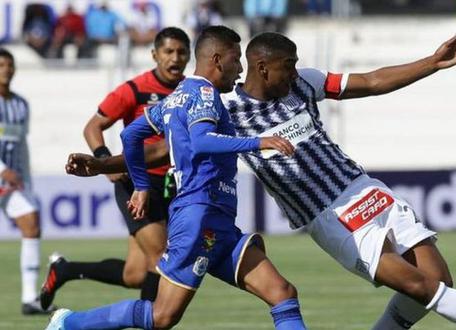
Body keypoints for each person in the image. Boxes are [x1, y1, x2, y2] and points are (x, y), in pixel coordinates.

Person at [63, 32, 456, 329]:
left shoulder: (304, 82)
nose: (296, 71)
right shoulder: (226, 111)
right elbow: (166, 150)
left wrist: (430, 64)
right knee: (421, 289)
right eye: (288, 65)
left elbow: (370, 82)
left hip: (367, 190)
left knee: (438, 280)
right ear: (263, 66)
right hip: (330, 216)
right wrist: (101, 166)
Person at [47, 25, 307, 330]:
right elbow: (201, 140)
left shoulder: (177, 96)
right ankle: (69, 323)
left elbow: (132, 134)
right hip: (198, 216)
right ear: (218, 59)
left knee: (282, 293)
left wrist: (141, 185)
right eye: (237, 60)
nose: (240, 69)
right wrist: (259, 142)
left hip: (217, 221)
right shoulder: (205, 93)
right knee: (162, 317)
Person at [39, 27, 191, 310]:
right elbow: (93, 126)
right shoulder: (134, 89)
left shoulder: (189, 91)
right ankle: (150, 323)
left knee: (134, 274)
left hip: (172, 184)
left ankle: (65, 270)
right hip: (137, 185)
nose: (175, 58)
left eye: (182, 52)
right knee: (161, 257)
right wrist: (104, 160)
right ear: (154, 54)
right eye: (169, 51)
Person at [0, 48, 56, 315]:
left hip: (10, 181)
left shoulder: (20, 105)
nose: (6, 69)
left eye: (10, 65)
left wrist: (24, 178)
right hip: (3, 175)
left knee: (31, 222)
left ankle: (30, 298)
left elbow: (20, 144)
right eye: (1, 65)